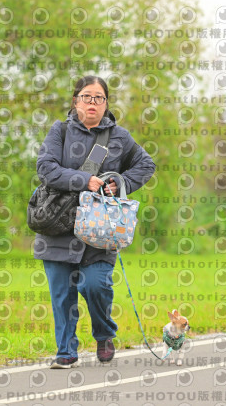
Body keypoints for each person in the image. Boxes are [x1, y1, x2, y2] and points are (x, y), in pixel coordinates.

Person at [34, 75, 156, 369]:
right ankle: (66, 352)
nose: (92, 102)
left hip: (100, 229)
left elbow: (146, 164)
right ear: (75, 101)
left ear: (106, 103)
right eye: (86, 97)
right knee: (62, 296)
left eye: (98, 98)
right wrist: (84, 180)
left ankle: (104, 334)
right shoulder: (60, 131)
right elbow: (46, 168)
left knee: (95, 286)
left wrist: (121, 182)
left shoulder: (119, 137)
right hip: (58, 225)